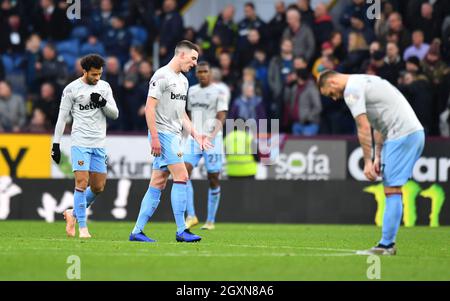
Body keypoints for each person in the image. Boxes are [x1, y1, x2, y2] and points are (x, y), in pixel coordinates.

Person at [318, 70, 425, 256]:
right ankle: (386, 244)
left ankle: (386, 245)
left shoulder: (352, 90)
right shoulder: (365, 81)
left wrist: (367, 162)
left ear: (333, 82)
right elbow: (379, 122)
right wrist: (378, 155)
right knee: (392, 188)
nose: (334, 98)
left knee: (392, 190)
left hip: (403, 135)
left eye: (330, 93)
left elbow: (363, 126)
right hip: (407, 133)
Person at [129, 40, 212, 243]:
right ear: (181, 54)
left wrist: (195, 134)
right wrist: (155, 137)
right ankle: (181, 230)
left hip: (174, 134)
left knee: (158, 182)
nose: (195, 64)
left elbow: (181, 113)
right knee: (182, 176)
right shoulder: (161, 76)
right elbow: (149, 108)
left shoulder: (183, 81)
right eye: (193, 59)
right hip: (163, 134)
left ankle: (137, 231)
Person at [51, 54, 119, 238]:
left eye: (100, 75)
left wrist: (103, 103)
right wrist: (55, 144)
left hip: (99, 143)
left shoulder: (104, 87)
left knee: (98, 187)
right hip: (80, 142)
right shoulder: (71, 89)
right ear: (85, 71)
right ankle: (83, 228)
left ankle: (72, 213)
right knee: (81, 182)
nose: (97, 78)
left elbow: (115, 114)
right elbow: (61, 118)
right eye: (94, 75)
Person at [183, 61, 228, 231]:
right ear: (196, 74)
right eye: (199, 71)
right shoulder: (192, 91)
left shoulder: (219, 92)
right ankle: (191, 216)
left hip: (212, 140)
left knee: (213, 178)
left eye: (205, 71)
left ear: (210, 73)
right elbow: (188, 114)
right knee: (183, 172)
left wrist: (211, 135)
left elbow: (222, 114)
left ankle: (210, 220)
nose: (202, 74)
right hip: (194, 138)